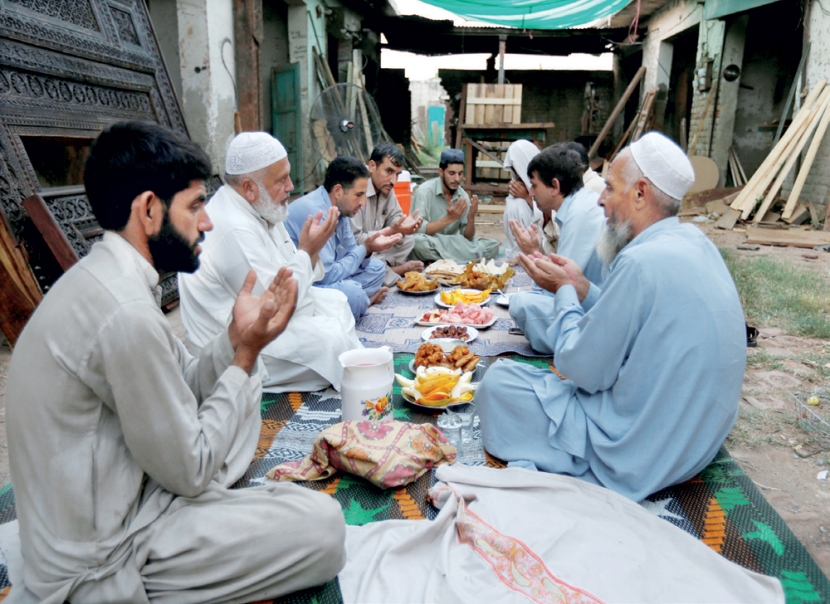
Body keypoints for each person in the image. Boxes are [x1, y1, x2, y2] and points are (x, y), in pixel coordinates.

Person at [5, 122, 346, 603]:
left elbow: (181, 382)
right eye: (194, 206)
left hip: (129, 499)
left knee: (276, 473)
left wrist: (234, 339)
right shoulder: (123, 312)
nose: (206, 222)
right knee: (324, 529)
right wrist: (244, 357)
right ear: (148, 210)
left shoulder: (111, 279)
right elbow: (190, 472)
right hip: (105, 559)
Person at [476, 132, 746, 502]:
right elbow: (635, 325)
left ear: (640, 193)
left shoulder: (639, 260)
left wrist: (565, 291)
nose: (600, 199)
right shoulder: (698, 243)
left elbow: (581, 370)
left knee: (499, 383)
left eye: (609, 188)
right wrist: (583, 287)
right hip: (696, 445)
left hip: (638, 450)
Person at [178, 132, 361, 393]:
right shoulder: (234, 227)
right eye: (281, 180)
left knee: (338, 303)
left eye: (287, 175)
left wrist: (308, 254)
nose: (290, 186)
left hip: (273, 311)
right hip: (231, 344)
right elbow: (275, 308)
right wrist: (308, 251)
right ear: (250, 188)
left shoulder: (261, 206)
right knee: (329, 340)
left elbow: (290, 273)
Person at [507, 142, 606, 354]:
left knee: (522, 304)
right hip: (593, 300)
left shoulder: (580, 212)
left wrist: (533, 255)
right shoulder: (577, 206)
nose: (531, 193)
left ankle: (577, 348)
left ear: (555, 186)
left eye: (534, 185)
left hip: (601, 311)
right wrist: (535, 251)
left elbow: (562, 284)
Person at [285, 156, 401, 322]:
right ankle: (364, 302)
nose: (363, 202)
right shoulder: (318, 213)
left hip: (332, 277)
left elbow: (352, 253)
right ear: (338, 191)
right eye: (359, 195)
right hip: (307, 286)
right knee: (353, 294)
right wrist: (366, 248)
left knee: (377, 268)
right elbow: (327, 276)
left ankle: (354, 304)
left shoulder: (341, 210)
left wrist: (367, 251)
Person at [350, 142, 425, 286]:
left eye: (397, 174)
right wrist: (391, 231)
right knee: (368, 260)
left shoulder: (386, 189)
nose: (393, 181)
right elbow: (355, 240)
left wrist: (403, 226)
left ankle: (385, 269)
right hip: (361, 251)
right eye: (389, 172)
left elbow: (394, 217)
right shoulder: (358, 189)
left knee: (409, 239)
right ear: (372, 166)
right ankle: (397, 270)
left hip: (379, 249)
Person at [409, 148, 500, 262]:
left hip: (451, 243)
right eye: (451, 173)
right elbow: (419, 230)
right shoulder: (424, 191)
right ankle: (467, 257)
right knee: (417, 243)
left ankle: (446, 259)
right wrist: (449, 219)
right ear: (441, 172)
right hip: (430, 241)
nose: (456, 179)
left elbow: (467, 236)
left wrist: (471, 218)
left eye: (460, 174)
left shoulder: (463, 196)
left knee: (493, 245)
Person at [501, 139, 550, 263]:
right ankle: (519, 251)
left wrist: (527, 197)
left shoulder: (547, 182)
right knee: (514, 203)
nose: (517, 176)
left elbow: (548, 214)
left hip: (546, 239)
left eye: (517, 169)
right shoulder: (518, 182)